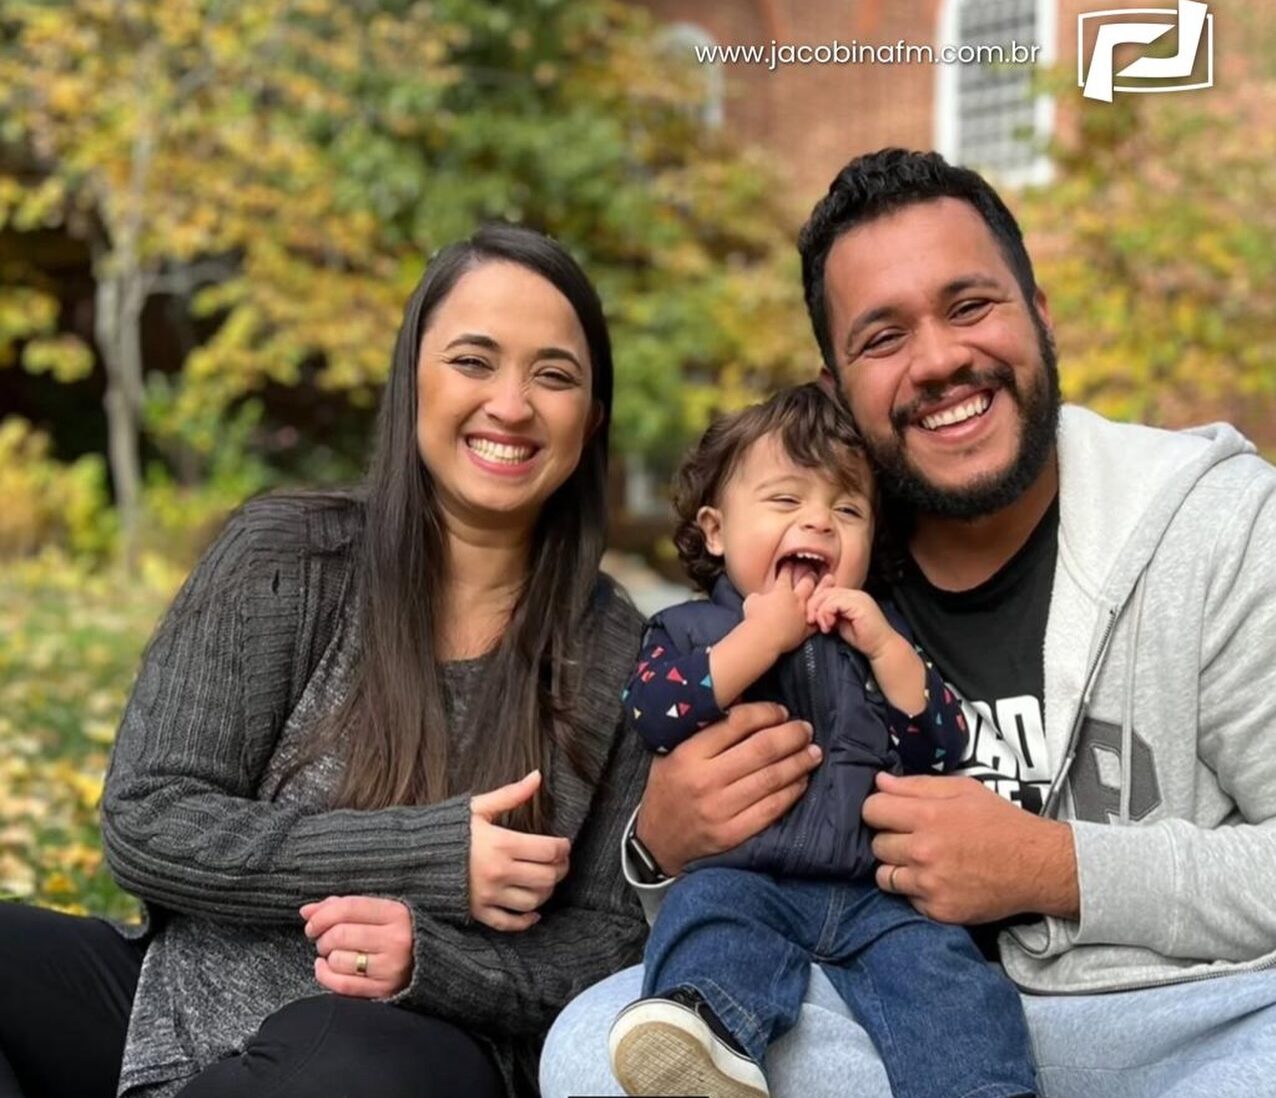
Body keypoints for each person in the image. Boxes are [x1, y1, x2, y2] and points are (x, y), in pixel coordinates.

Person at [541, 149, 1276, 1098]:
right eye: (883, 337)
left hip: (1184, 1015)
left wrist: (1055, 867)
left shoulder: (1220, 527)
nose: (937, 361)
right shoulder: (832, 559)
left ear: (1040, 313)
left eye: (970, 306)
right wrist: (661, 844)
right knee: (591, 1052)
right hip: (878, 1008)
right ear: (838, 384)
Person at [0, 223, 650, 1098]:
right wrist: (429, 856)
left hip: (410, 1050)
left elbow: (608, 946)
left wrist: (436, 962)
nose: (511, 403)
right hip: (178, 1013)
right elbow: (149, 818)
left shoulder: (619, 652)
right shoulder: (289, 557)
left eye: (555, 376)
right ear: (411, 379)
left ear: (592, 418)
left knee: (343, 1057)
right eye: (473, 361)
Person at [608, 383, 1036, 1098]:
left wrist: (887, 650)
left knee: (950, 976)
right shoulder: (689, 629)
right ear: (716, 530)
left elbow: (942, 743)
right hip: (746, 875)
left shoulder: (879, 635)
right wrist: (759, 638)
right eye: (785, 500)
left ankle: (982, 1086)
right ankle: (707, 1044)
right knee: (706, 924)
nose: (817, 521)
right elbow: (655, 712)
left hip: (876, 889)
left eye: (847, 510)